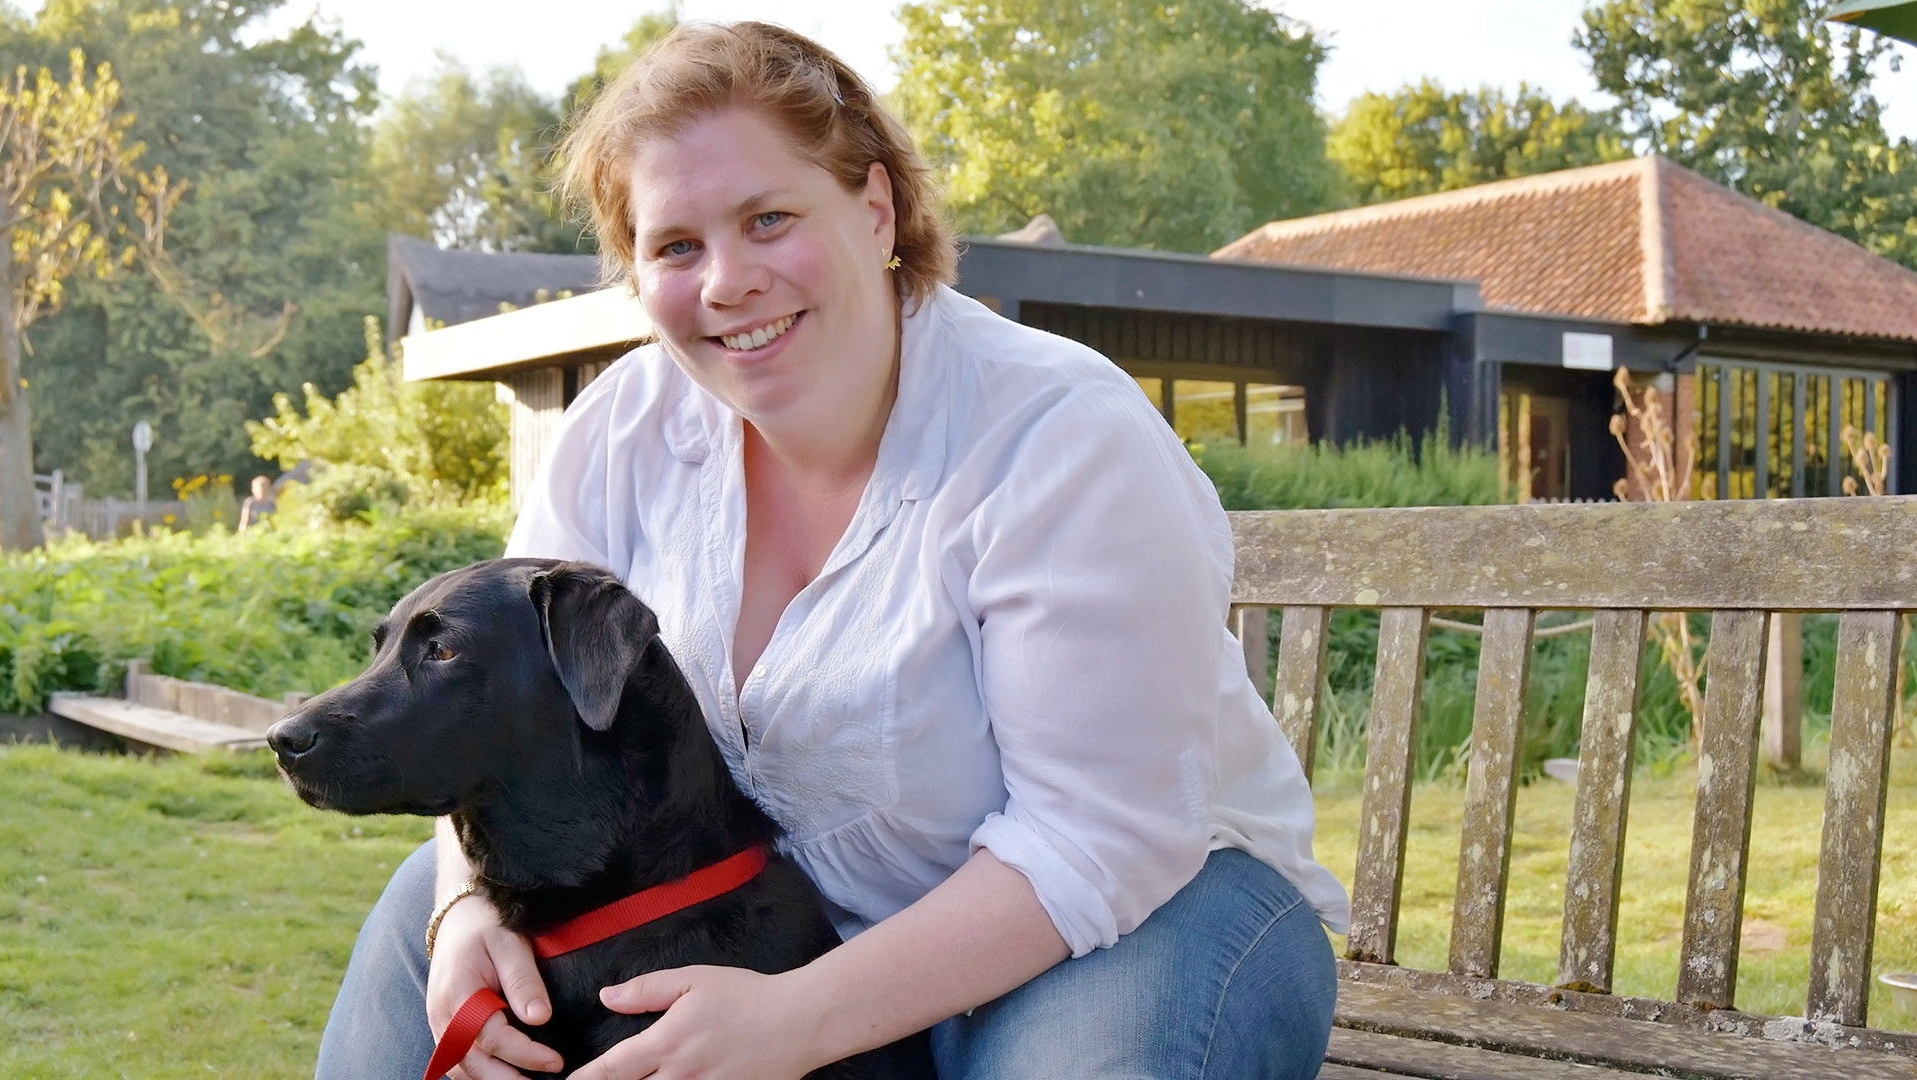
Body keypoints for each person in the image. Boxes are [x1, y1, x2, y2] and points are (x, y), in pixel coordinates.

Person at [313, 21, 1347, 1080]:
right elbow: (509, 717)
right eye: (675, 246)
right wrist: (462, 907)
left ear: (876, 206)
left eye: (769, 218)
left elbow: (1099, 842)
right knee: (418, 917)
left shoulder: (1058, 437)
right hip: (775, 929)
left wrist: (796, 1019)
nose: (726, 281)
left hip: (1141, 923)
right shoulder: (622, 432)